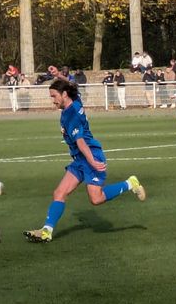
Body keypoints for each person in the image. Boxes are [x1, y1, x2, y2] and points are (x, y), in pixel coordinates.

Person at [23, 79, 146, 243]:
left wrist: (93, 162)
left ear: (64, 94)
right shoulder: (74, 102)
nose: (52, 100)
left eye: (54, 96)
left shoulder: (72, 114)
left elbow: (80, 141)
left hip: (91, 156)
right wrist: (58, 76)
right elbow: (70, 88)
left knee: (96, 199)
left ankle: (130, 183)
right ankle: (47, 231)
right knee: (59, 193)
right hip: (80, 159)